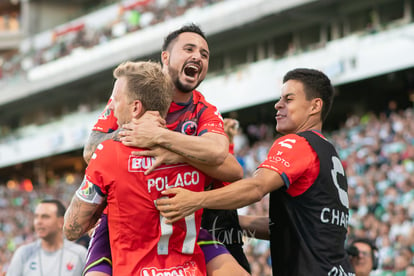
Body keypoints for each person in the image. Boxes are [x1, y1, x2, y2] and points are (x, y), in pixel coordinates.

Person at [81, 23, 249, 275]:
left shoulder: (204, 110)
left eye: (204, 54)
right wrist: (131, 132)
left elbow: (221, 157)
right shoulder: (131, 93)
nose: (197, 56)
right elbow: (90, 150)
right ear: (165, 57)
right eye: (189, 49)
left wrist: (162, 139)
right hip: (124, 222)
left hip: (183, 219)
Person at [156, 68, 356, 275]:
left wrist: (195, 200)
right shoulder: (329, 152)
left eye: (289, 99)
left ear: (315, 106)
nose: (278, 105)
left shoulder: (297, 143)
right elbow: (288, 228)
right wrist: (231, 221)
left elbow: (256, 187)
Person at [6, 199, 87, 276]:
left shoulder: (79, 254)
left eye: (45, 217)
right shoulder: (23, 253)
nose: (38, 221)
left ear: (61, 221)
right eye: (36, 217)